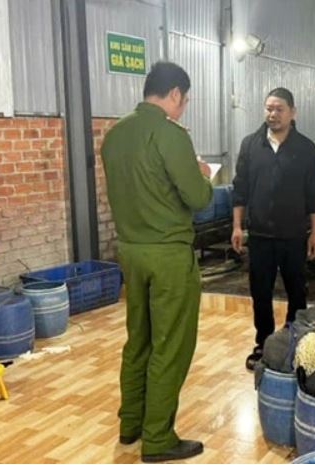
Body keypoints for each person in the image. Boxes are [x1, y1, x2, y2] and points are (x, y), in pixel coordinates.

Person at [101, 61, 212, 463]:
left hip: (130, 251)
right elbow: (198, 199)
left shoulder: (114, 136)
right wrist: (203, 175)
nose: (182, 108)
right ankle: (158, 438)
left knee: (139, 341)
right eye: (184, 101)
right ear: (176, 94)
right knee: (171, 345)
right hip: (167, 254)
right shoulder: (170, 135)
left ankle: (130, 423)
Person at [231, 87, 315, 371]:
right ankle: (264, 343)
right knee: (260, 292)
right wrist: (237, 226)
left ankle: (296, 341)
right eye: (269, 108)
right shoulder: (250, 145)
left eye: (279, 109)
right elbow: (240, 189)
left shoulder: (306, 148)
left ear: (292, 112)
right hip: (259, 236)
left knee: (297, 291)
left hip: (294, 236)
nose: (273, 114)